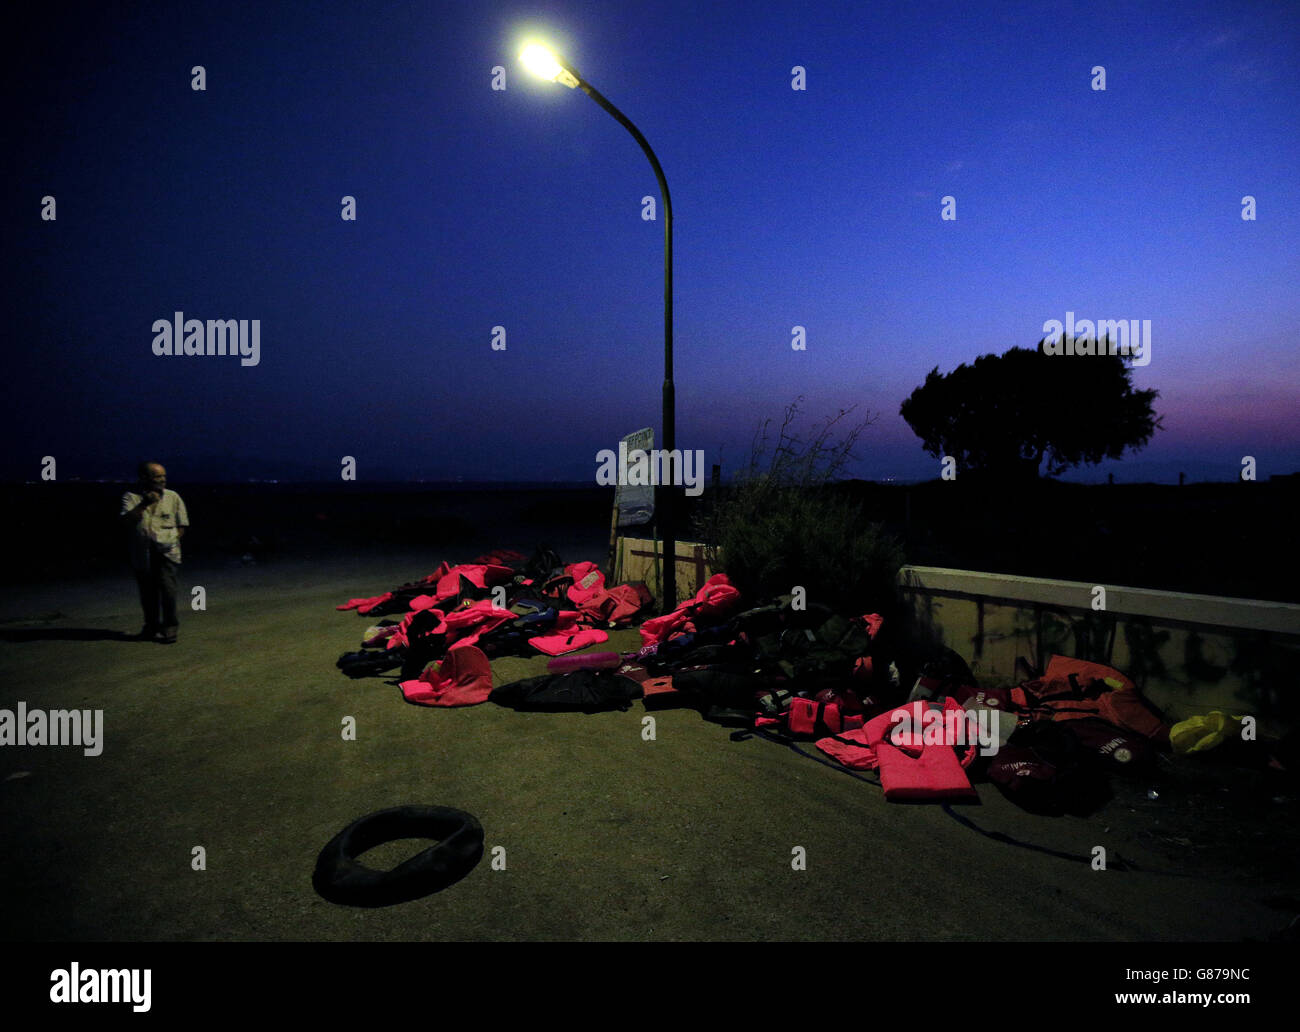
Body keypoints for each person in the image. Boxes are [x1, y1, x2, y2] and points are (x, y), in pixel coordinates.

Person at [120, 462, 189, 643]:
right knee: (147, 593)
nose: (163, 480)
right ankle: (150, 626)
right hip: (143, 553)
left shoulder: (173, 497)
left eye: (164, 476)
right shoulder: (131, 497)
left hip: (167, 553)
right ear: (144, 478)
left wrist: (170, 540)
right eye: (158, 476)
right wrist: (144, 504)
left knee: (168, 591)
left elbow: (182, 525)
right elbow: (126, 522)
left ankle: (170, 627)